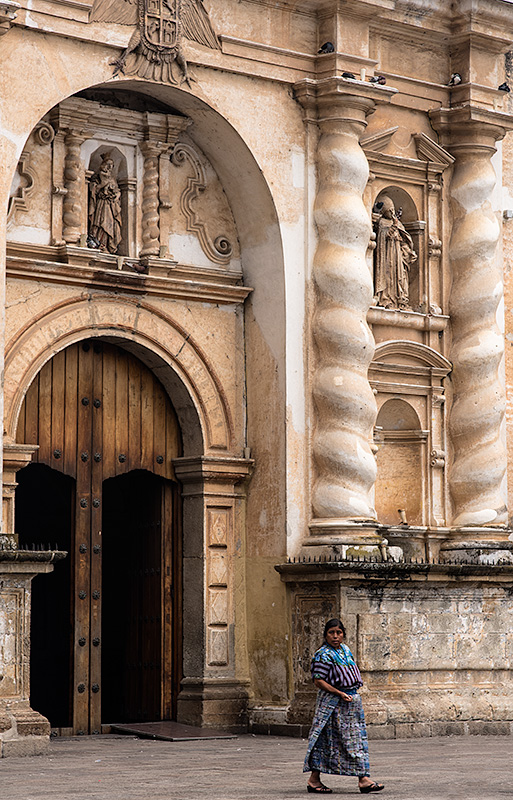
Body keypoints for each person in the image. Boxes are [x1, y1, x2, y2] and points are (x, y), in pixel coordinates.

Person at [303, 618, 384, 794]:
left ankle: (363, 779)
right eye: (331, 632)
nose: (335, 636)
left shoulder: (345, 650)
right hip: (332, 704)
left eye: (339, 633)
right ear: (325, 635)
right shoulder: (323, 654)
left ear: (343, 634)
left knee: (355, 740)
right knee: (324, 740)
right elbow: (318, 681)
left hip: (350, 705)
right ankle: (314, 779)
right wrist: (339, 693)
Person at [374, 195, 416, 309]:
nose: (392, 213)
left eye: (393, 210)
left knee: (400, 276)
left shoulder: (398, 224)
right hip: (387, 255)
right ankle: (387, 298)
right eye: (389, 211)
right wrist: (394, 227)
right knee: (388, 276)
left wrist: (407, 251)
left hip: (397, 254)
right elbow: (385, 236)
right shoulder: (382, 223)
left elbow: (404, 240)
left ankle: (401, 299)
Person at [88, 153, 122, 254]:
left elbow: (117, 190)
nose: (109, 167)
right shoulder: (98, 177)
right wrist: (102, 185)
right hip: (101, 204)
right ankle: (100, 243)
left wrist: (117, 195)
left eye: (111, 165)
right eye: (108, 164)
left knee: (110, 224)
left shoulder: (112, 179)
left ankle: (108, 244)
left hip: (111, 205)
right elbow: (93, 190)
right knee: (100, 223)